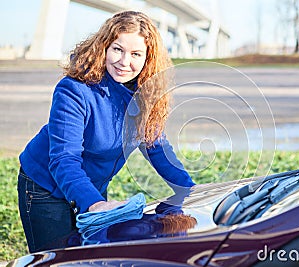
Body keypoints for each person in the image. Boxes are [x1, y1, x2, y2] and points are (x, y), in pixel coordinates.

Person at [17, 10, 195, 253]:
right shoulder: (74, 89)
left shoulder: (146, 95)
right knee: (58, 259)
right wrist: (95, 204)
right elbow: (63, 159)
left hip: (93, 185)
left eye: (135, 54)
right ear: (103, 47)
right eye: (117, 49)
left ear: (148, 58)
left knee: (93, 256)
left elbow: (156, 147)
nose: (124, 62)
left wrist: (190, 190)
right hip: (46, 187)